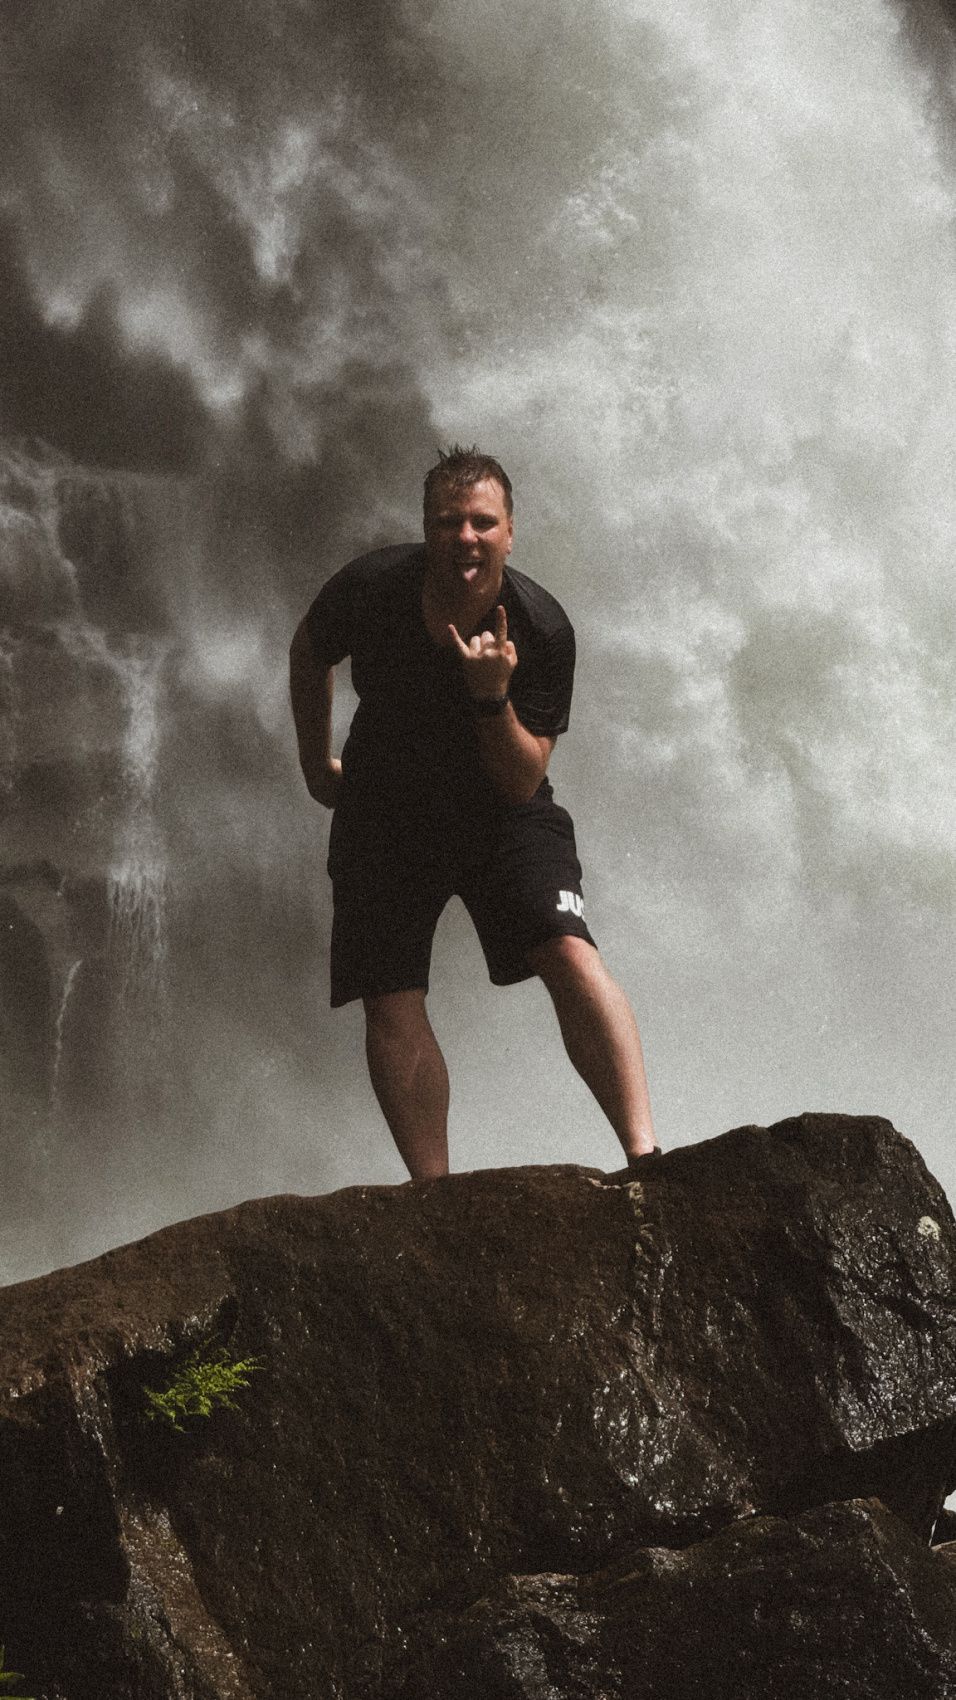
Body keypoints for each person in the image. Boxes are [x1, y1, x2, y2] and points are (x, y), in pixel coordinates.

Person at [289, 446, 658, 1180]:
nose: (466, 536)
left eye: (483, 522)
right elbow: (309, 649)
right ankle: (437, 1196)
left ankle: (646, 1157)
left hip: (501, 810)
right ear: (425, 530)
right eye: (448, 521)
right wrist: (314, 764)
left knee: (567, 949)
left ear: (510, 533)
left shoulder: (542, 628)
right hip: (385, 810)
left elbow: (522, 781)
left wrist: (491, 696)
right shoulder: (369, 589)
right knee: (390, 994)